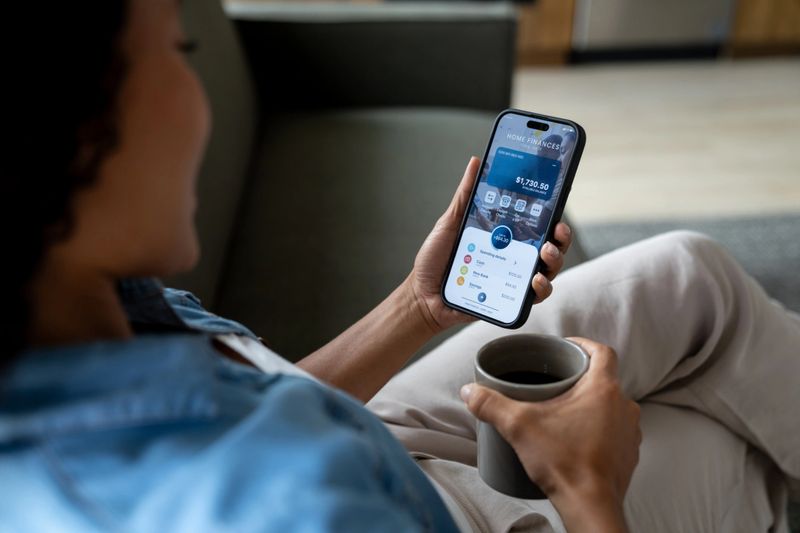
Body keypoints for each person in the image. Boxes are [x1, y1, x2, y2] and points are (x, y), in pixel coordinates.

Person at [1, 1, 797, 532]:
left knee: (692, 272)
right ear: (77, 131)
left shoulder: (99, 305)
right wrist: (590, 487)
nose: (197, 94)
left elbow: (272, 401)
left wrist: (419, 307)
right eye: (179, 50)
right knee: (733, 453)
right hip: (412, 507)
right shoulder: (272, 505)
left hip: (365, 435)